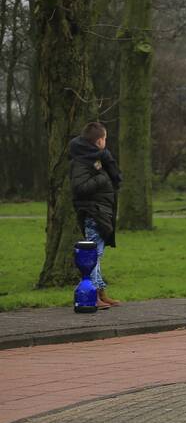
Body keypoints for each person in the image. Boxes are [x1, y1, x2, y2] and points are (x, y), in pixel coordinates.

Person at [69, 122, 123, 309]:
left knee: (97, 255)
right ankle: (90, 294)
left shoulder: (97, 158)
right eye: (105, 139)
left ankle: (100, 291)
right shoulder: (83, 161)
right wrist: (103, 178)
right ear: (100, 140)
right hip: (93, 212)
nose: (106, 142)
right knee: (93, 255)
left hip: (101, 211)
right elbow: (79, 188)